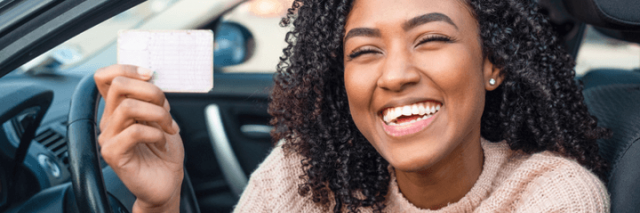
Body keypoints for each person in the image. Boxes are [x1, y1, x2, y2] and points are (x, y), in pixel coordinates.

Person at [94, 0, 611, 212]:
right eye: (365, 51)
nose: (395, 73)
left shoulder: (552, 195)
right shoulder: (305, 175)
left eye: (431, 39)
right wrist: (160, 204)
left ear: (491, 65)